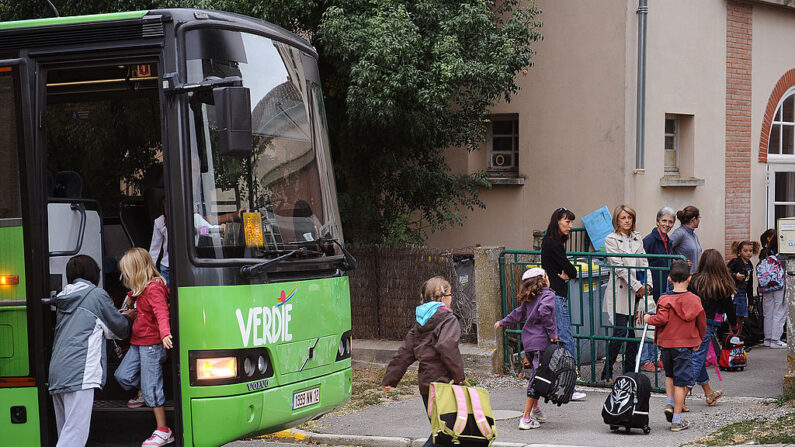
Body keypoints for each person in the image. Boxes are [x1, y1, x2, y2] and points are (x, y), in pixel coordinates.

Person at [49, 255, 135, 447]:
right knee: (74, 435)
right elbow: (119, 329)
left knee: (65, 432)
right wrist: (129, 317)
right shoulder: (96, 295)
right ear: (93, 274)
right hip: (80, 372)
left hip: (57, 372)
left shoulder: (64, 296)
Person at [381, 276, 465, 447]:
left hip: (427, 384)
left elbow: (405, 352)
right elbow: (447, 347)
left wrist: (390, 379)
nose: (451, 298)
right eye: (450, 295)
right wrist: (460, 377)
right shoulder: (448, 319)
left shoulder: (421, 321)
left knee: (444, 431)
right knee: (445, 433)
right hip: (444, 384)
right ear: (442, 298)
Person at [114, 248, 174, 447]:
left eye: (128, 272)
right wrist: (132, 305)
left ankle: (163, 430)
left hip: (152, 346)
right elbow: (141, 300)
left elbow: (161, 312)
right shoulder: (142, 290)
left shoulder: (154, 288)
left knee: (152, 389)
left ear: (137, 271)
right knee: (122, 376)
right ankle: (143, 392)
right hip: (138, 342)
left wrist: (165, 333)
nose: (126, 277)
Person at [644, 259, 706, 432]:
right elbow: (702, 324)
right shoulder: (695, 300)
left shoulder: (664, 298)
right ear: (689, 279)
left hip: (666, 344)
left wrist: (649, 319)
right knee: (681, 382)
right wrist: (699, 339)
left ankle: (669, 403)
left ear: (669, 279)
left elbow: (661, 319)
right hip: (684, 345)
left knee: (670, 375)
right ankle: (677, 420)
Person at [494, 268, 558, 429]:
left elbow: (518, 314)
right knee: (537, 378)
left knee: (537, 375)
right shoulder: (548, 294)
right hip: (541, 343)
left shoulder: (529, 298)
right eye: (547, 276)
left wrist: (503, 322)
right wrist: (552, 334)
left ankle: (535, 409)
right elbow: (545, 312)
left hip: (528, 343)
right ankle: (526, 418)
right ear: (542, 280)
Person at [600, 205, 654, 382]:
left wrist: (648, 284)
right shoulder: (611, 239)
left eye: (629, 217)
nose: (627, 221)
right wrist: (637, 285)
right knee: (620, 332)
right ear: (617, 220)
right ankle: (606, 372)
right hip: (622, 291)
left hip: (638, 292)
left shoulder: (637, 237)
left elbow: (645, 262)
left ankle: (630, 371)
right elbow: (619, 268)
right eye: (623, 218)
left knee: (634, 334)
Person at [540, 207, 586, 400]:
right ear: (557, 222)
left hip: (551, 294)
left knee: (553, 339)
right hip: (557, 295)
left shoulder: (549, 243)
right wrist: (569, 273)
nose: (570, 226)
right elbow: (572, 270)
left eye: (571, 222)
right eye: (567, 222)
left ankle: (554, 383)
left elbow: (567, 269)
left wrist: (567, 272)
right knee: (566, 339)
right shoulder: (554, 245)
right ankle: (570, 385)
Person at [688, 249, 736, 407]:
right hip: (706, 326)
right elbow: (730, 307)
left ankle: (709, 393)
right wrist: (734, 325)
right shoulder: (721, 283)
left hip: (690, 323)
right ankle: (679, 397)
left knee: (698, 358)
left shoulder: (694, 280)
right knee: (697, 359)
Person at [640, 206, 676, 371]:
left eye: (670, 221)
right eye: (664, 221)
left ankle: (655, 358)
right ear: (657, 221)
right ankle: (645, 360)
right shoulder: (649, 240)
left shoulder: (668, 240)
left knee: (659, 323)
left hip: (664, 288)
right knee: (648, 323)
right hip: (651, 288)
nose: (667, 224)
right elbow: (641, 263)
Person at [758, 232, 788, 348]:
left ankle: (768, 338)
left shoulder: (764, 252)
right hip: (779, 284)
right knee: (779, 310)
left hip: (766, 285)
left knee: (768, 311)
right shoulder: (782, 254)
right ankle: (776, 339)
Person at [727, 240, 759, 337]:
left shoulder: (750, 265)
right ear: (739, 251)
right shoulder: (735, 262)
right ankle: (732, 337)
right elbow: (725, 273)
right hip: (735, 292)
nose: (748, 253)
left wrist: (751, 301)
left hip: (743, 293)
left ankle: (738, 337)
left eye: (750, 251)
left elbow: (750, 284)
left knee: (741, 317)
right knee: (734, 317)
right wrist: (735, 275)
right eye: (745, 251)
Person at [669, 206, 702, 273]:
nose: (699, 220)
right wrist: (679, 263)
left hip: (694, 277)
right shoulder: (679, 233)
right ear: (693, 220)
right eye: (698, 218)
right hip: (683, 278)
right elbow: (665, 249)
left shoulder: (694, 235)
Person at [149, 197, 169, 287]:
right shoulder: (159, 222)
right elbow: (154, 249)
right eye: (165, 205)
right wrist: (150, 270)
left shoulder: (186, 217)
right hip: (166, 266)